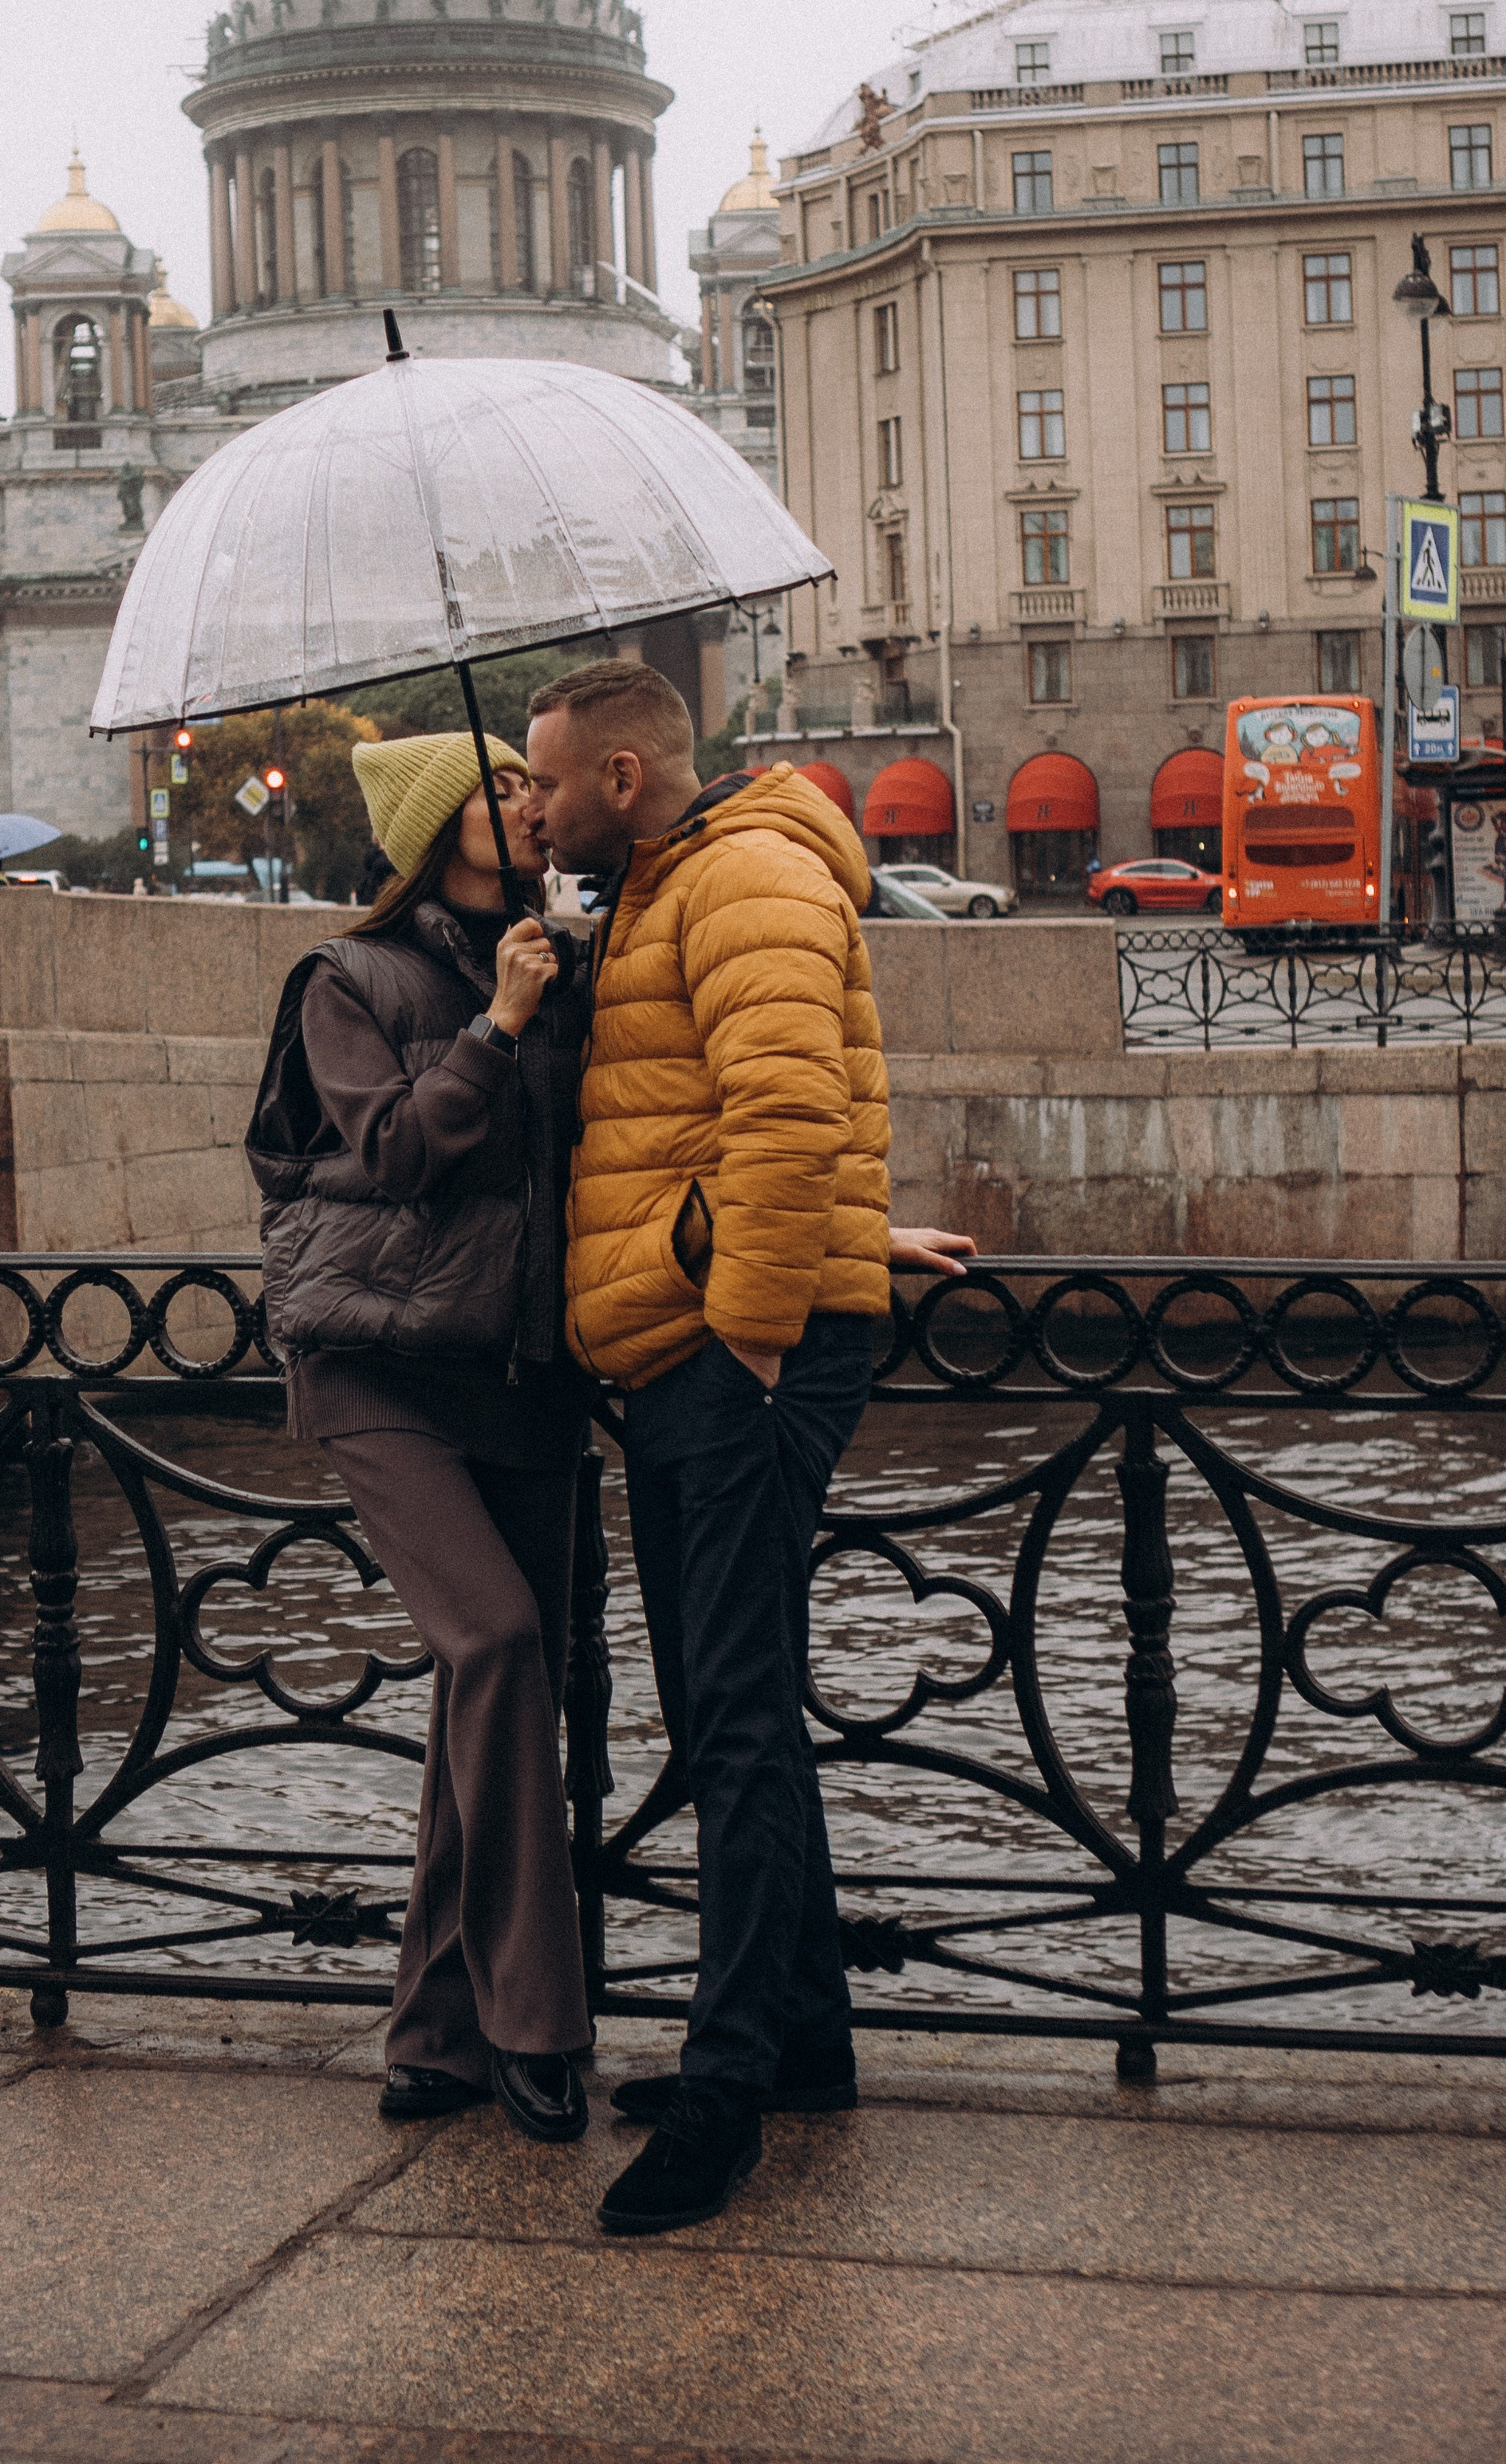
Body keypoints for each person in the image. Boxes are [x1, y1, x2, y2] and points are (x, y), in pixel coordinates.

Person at [521, 660, 972, 2237]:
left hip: (728, 1353)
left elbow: (784, 1114)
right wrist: (832, 1243)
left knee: (733, 1727)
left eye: (550, 779)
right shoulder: (662, 884)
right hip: (696, 1337)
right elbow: (725, 1112)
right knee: (738, 1706)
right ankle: (799, 2045)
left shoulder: (747, 875)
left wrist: (758, 1325)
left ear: (624, 780)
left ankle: (723, 2103)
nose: (537, 802)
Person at [245, 730, 593, 2145]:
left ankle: (433, 2031)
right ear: (441, 822)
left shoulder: (559, 961)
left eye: (531, 781)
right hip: (378, 1365)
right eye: (502, 785)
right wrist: (500, 1025)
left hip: (523, 1369)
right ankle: (535, 2026)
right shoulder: (347, 978)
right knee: (497, 1644)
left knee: (495, 1693)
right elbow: (394, 1153)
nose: (527, 798)